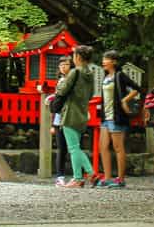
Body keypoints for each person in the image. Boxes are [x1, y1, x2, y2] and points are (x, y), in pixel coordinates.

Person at [98, 50, 141, 188]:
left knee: (118, 147)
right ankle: (107, 177)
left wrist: (124, 100)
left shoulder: (120, 75)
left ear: (114, 62)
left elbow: (136, 89)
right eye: (103, 59)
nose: (104, 61)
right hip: (106, 117)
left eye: (107, 59)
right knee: (103, 147)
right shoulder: (106, 77)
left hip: (117, 117)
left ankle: (121, 179)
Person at [54, 44, 95, 187]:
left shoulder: (74, 72)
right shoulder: (90, 74)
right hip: (83, 113)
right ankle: (78, 178)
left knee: (73, 148)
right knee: (75, 147)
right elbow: (90, 95)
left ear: (77, 57)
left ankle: (89, 173)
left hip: (70, 113)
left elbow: (62, 91)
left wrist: (59, 86)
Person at [50, 55, 73, 185]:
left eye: (66, 65)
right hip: (59, 118)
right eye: (61, 65)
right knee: (61, 148)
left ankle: (78, 175)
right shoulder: (60, 80)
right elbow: (57, 102)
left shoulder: (72, 80)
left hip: (69, 117)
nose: (63, 67)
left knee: (74, 147)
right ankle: (60, 176)